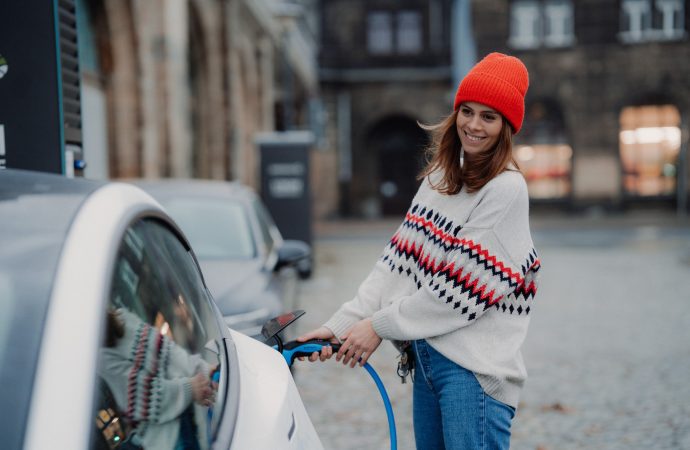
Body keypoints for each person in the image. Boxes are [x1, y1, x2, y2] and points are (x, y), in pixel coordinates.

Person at [298, 52, 541, 449]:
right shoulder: (440, 178)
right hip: (427, 362)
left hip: (473, 375)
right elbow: (397, 264)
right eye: (467, 111)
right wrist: (342, 325)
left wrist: (376, 327)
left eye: (489, 117)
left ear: (506, 128)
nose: (473, 125)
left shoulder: (506, 189)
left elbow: (456, 294)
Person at [98, 307, 216, 450]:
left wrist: (203, 369)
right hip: (167, 442)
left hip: (186, 419)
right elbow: (146, 397)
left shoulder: (123, 317)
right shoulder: (101, 360)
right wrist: (191, 388)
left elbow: (168, 352)